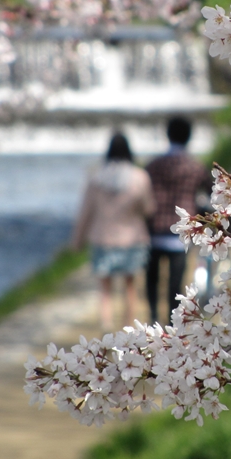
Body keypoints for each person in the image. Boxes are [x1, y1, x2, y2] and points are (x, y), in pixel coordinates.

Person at [72, 132, 155, 330]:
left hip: (103, 238)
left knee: (105, 288)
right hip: (132, 238)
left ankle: (106, 325)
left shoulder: (96, 178)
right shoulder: (139, 177)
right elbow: (149, 208)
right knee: (130, 286)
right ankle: (128, 327)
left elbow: (86, 212)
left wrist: (77, 240)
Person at [145, 116, 213, 326]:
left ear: (167, 135)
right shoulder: (195, 167)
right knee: (175, 282)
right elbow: (211, 193)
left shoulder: (153, 166)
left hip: (154, 230)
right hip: (181, 234)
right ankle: (171, 322)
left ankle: (154, 316)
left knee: (152, 279)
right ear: (189, 137)